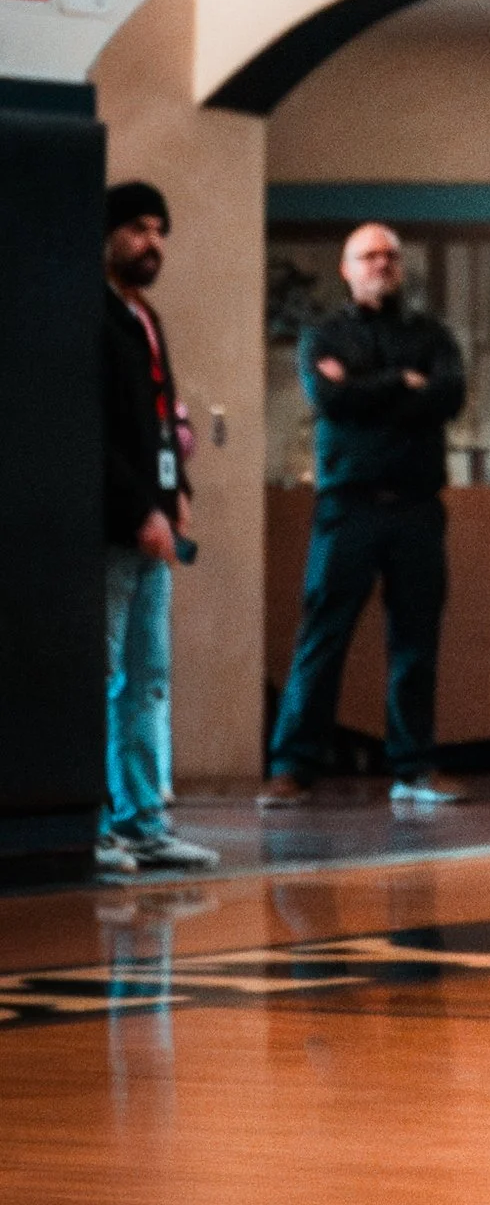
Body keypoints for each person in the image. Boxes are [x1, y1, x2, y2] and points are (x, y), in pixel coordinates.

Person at [260, 224, 467, 812]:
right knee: (321, 638)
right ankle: (292, 768)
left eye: (391, 255)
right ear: (346, 269)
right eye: (368, 255)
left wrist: (362, 388)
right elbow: (329, 401)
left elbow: (448, 397)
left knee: (415, 643)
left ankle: (414, 768)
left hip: (418, 511)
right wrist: (403, 383)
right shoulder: (320, 335)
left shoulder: (433, 336)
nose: (382, 263)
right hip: (345, 509)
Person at [97, 183, 220, 879]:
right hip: (115, 531)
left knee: (147, 679)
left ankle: (142, 823)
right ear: (109, 235)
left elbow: (160, 422)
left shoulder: (147, 318)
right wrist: (139, 509)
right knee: (104, 673)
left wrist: (177, 497)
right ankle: (91, 823)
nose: (153, 243)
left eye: (160, 230)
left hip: (152, 526)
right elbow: (98, 433)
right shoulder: (93, 315)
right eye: (138, 228)